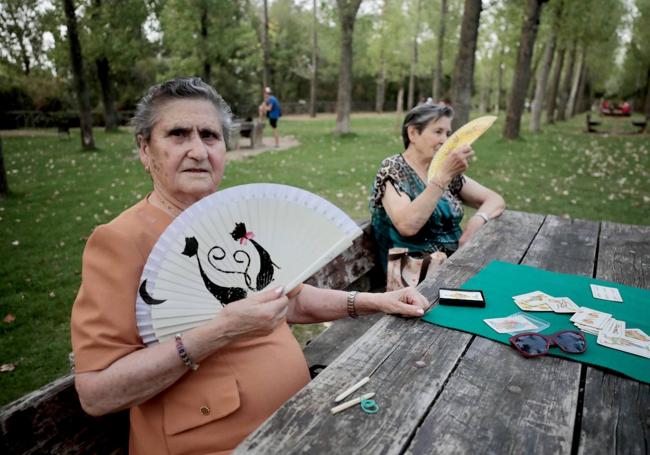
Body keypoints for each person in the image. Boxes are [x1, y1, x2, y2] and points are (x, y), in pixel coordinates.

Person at [71, 77, 429, 455]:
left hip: (295, 421)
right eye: (178, 135)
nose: (197, 150)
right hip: (210, 441)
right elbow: (97, 393)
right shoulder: (121, 241)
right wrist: (221, 331)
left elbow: (290, 300)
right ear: (145, 150)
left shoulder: (230, 218)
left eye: (209, 136)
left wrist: (377, 302)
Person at [370, 103, 505, 271]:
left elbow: (495, 200)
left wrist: (477, 221)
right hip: (412, 274)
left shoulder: (439, 169)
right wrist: (442, 178)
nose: (445, 140)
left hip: (455, 263)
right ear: (412, 133)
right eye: (438, 132)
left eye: (447, 133)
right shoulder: (393, 169)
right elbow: (407, 226)